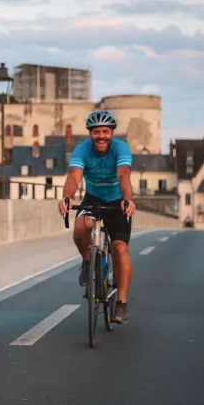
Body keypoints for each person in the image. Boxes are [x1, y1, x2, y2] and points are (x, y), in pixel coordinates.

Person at [57, 110, 135, 324]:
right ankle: (88, 260)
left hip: (117, 200)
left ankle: (121, 303)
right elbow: (74, 176)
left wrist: (127, 199)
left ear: (111, 133)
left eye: (105, 132)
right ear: (90, 134)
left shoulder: (121, 148)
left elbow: (123, 175)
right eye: (96, 132)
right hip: (93, 198)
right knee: (81, 228)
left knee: (120, 248)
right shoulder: (82, 150)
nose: (101, 136)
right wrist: (66, 197)